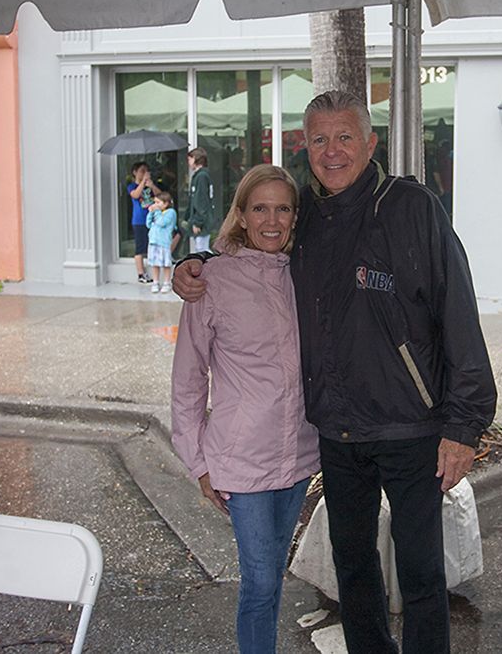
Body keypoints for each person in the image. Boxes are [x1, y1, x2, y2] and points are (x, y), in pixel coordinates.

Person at [174, 90, 496, 653]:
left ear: (370, 143)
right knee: (353, 567)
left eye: (345, 136)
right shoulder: (305, 215)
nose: (332, 151)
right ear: (306, 147)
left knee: (422, 573)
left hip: (410, 426)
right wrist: (194, 264)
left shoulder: (412, 207)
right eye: (319, 139)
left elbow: (459, 315)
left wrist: (463, 426)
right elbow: (252, 248)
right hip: (338, 433)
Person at [171, 164, 319, 654]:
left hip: (299, 455)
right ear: (241, 214)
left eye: (283, 209)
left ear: (295, 216)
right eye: (260, 208)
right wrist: (198, 461)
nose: (271, 221)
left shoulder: (306, 273)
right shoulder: (210, 281)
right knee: (259, 580)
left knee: (272, 572)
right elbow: (188, 379)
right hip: (241, 460)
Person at [128, 161, 161, 283]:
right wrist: (142, 182)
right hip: (139, 221)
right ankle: (141, 273)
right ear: (135, 172)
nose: (145, 173)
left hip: (153, 220)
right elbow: (135, 195)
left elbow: (160, 196)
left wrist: (151, 185)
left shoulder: (149, 186)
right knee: (140, 247)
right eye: (142, 171)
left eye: (146, 171)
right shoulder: (132, 186)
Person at [145, 191, 177, 294]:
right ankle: (156, 282)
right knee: (155, 264)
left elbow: (162, 222)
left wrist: (156, 211)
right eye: (155, 202)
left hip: (164, 242)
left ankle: (167, 283)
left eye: (158, 202)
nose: (156, 205)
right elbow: (148, 224)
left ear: (166, 203)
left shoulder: (171, 213)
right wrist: (150, 213)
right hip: (153, 242)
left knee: (166, 264)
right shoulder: (156, 212)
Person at [185, 147, 215, 253]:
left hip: (202, 220)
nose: (188, 162)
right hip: (203, 218)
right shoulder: (201, 175)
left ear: (195, 158)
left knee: (201, 249)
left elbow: (201, 201)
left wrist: (198, 222)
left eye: (189, 159)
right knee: (201, 248)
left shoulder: (201, 176)